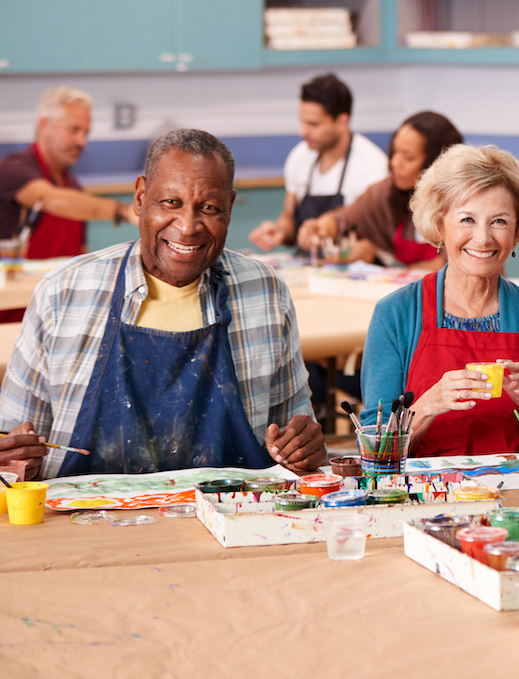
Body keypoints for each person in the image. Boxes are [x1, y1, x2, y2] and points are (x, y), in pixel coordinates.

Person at [0, 129, 325, 479]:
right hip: (86, 523)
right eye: (171, 202)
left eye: (209, 208)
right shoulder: (63, 293)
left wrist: (304, 449)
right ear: (140, 198)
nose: (187, 227)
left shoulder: (265, 292)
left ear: (229, 208)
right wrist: (13, 459)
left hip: (229, 519)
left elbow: (295, 441)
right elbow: (12, 444)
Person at [360, 143, 519, 457]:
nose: (482, 238)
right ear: (440, 225)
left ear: (517, 230)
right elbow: (373, 450)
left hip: (517, 501)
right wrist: (428, 405)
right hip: (427, 500)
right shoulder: (395, 315)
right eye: (467, 219)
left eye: (499, 221)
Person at [295, 111, 461, 268]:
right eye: (394, 152)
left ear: (436, 163)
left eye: (408, 157)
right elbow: (345, 218)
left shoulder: (464, 205)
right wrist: (321, 228)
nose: (395, 163)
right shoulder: (385, 193)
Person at [247, 74, 388, 253]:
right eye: (302, 122)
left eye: (313, 124)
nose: (302, 132)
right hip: (305, 264)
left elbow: (372, 243)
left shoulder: (372, 167)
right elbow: (288, 217)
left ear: (342, 122)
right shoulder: (300, 156)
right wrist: (280, 231)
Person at [0, 86, 138, 258]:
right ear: (44, 125)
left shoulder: (75, 189)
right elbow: (51, 200)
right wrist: (123, 211)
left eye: (86, 133)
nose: (82, 141)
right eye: (74, 130)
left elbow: (81, 255)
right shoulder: (12, 169)